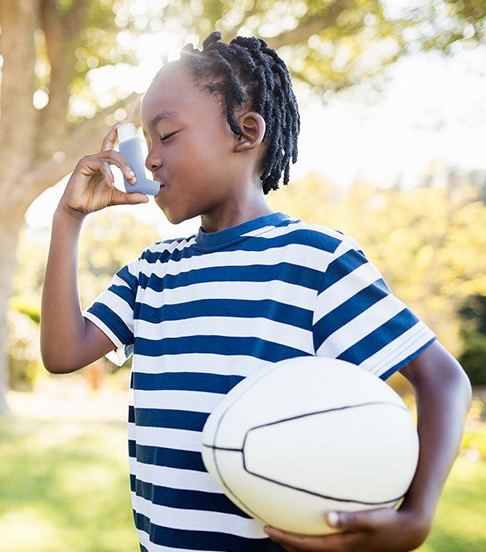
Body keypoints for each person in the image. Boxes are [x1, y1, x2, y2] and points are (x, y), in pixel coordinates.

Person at [40, 32, 471, 551]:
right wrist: (67, 219)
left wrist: (417, 516)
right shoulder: (153, 270)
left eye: (167, 135)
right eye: (147, 141)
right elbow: (63, 354)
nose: (149, 160)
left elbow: (442, 378)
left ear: (245, 132)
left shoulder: (314, 260)